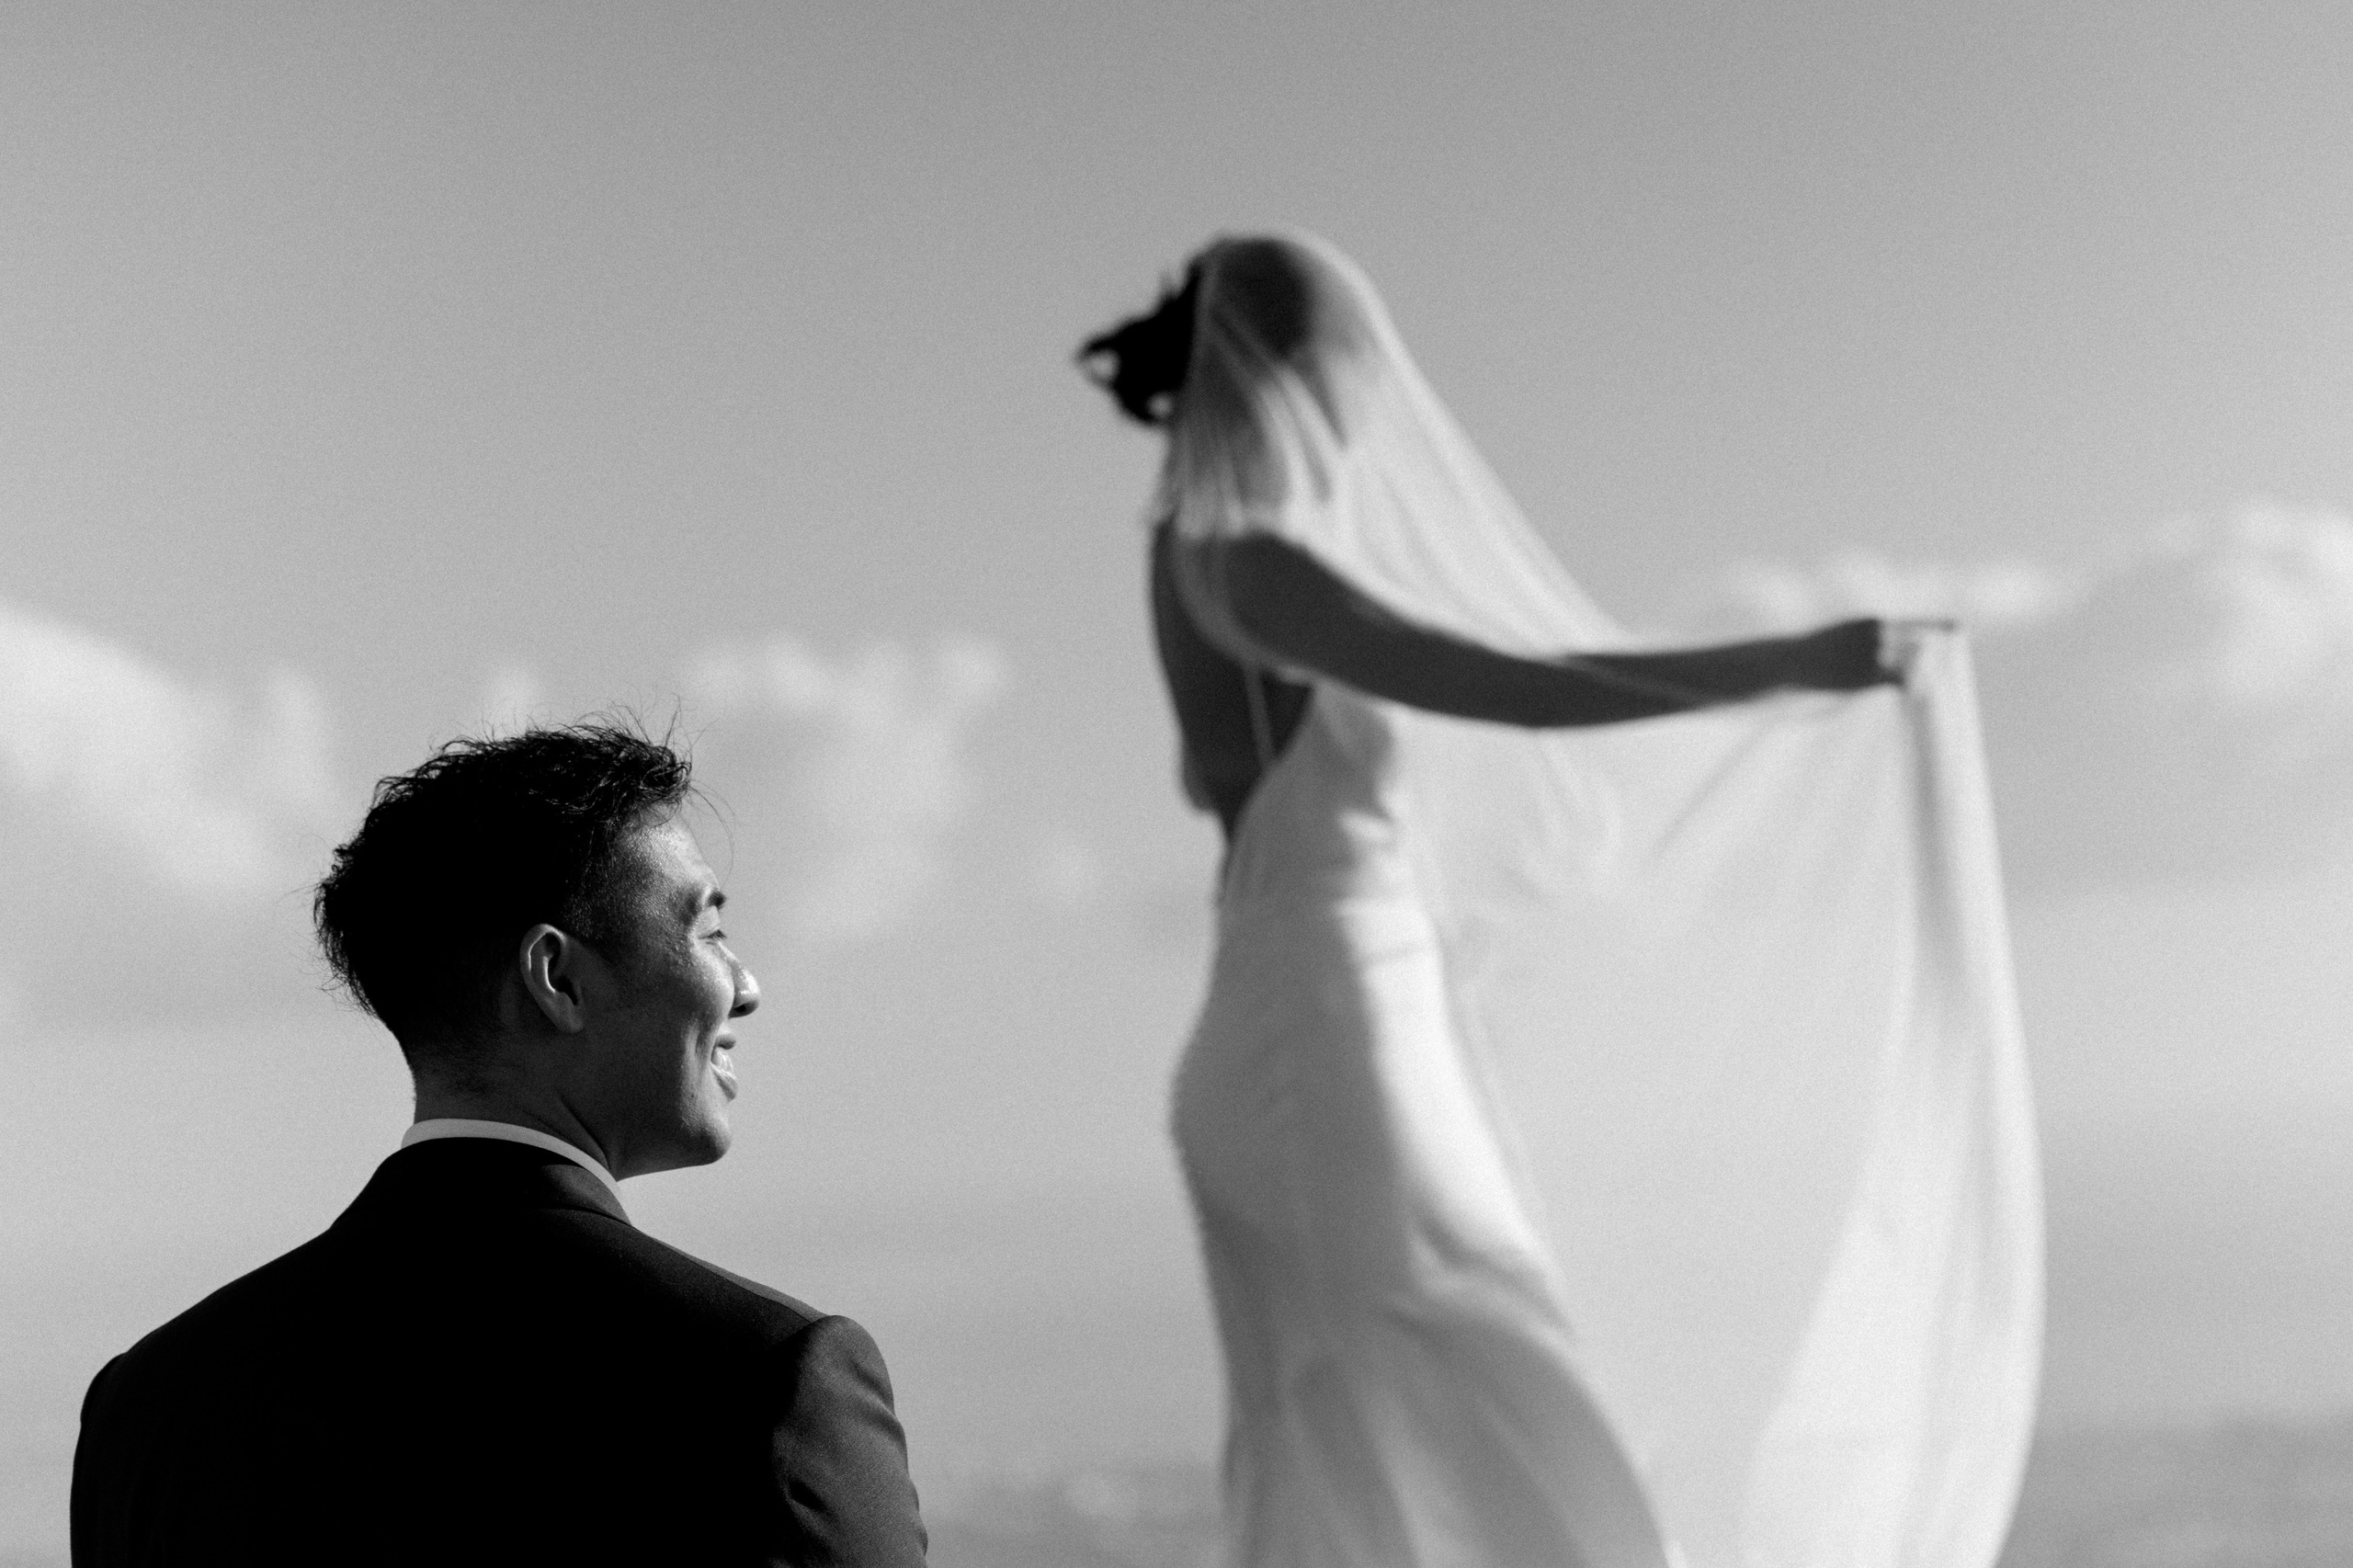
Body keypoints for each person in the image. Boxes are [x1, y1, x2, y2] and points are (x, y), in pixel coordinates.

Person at [1080, 234, 2041, 1568]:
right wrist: (1797, 659)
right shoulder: (1252, 559)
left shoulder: (1188, 554)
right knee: (1481, 1376)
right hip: (1322, 1038)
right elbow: (1511, 684)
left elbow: (1217, 778)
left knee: (1401, 1415)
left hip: (1310, 1015)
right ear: (1301, 380)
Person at [70, 723, 929, 1568]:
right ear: (558, 980)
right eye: (708, 931)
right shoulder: (766, 1384)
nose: (745, 986)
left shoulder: (150, 1408)